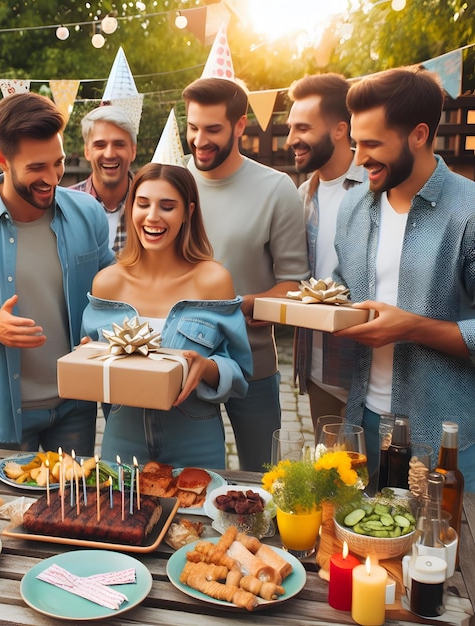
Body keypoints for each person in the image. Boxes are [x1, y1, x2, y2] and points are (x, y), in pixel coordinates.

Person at [0, 92, 115, 455]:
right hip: (6, 409)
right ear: (2, 159)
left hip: (77, 401)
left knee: (73, 506)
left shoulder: (90, 212)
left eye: (57, 163)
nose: (52, 178)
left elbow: (113, 289)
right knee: (10, 510)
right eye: (36, 168)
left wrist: (102, 332)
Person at [332, 66, 475, 490]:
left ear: (418, 134)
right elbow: (344, 285)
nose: (358, 158)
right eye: (356, 143)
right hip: (362, 421)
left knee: (436, 552)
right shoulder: (354, 206)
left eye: (373, 144)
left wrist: (411, 327)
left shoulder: (468, 211)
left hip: (444, 433)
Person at [81, 163, 252, 468]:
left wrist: (208, 367)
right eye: (142, 204)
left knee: (194, 516)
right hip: (123, 438)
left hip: (196, 439)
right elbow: (93, 369)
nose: (152, 216)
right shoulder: (107, 282)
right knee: (118, 515)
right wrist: (89, 356)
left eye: (167, 206)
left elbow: (240, 374)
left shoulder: (213, 280)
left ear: (188, 212)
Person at [182, 77, 310, 470]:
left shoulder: (276, 189)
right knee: (192, 476)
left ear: (240, 126)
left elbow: (296, 284)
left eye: (213, 130)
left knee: (261, 475)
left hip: (253, 364)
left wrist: (249, 304)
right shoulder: (174, 180)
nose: (200, 139)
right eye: (193, 127)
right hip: (185, 362)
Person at [286, 73, 366, 428]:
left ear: (339, 129)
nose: (292, 140)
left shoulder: (377, 189)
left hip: (369, 367)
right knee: (334, 477)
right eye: (290, 128)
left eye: (302, 128)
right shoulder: (303, 195)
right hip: (320, 368)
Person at [70, 105, 137, 254]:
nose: (109, 154)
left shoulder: (151, 206)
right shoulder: (65, 206)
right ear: (87, 152)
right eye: (100, 145)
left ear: (133, 151)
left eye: (119, 144)